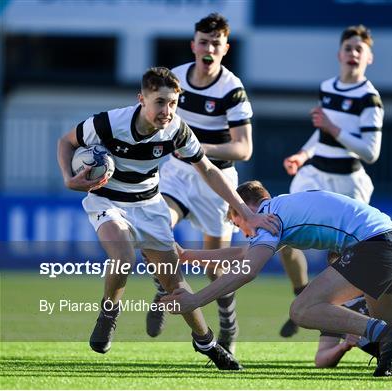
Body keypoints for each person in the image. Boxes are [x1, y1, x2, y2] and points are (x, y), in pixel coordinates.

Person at [56, 67, 278, 370]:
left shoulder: (176, 130)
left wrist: (247, 213)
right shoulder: (108, 123)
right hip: (108, 199)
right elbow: (66, 142)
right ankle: (109, 312)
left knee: (175, 283)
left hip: (149, 205)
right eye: (160, 102)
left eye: (173, 103)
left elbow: (210, 171)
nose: (167, 110)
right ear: (141, 99)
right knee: (122, 255)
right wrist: (69, 179)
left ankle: (207, 343)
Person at [162, 181, 392, 376]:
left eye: (236, 222)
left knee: (301, 309)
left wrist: (196, 299)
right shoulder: (283, 207)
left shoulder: (268, 218)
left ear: (243, 208)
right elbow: (247, 254)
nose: (241, 231)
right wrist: (191, 256)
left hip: (372, 246)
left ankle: (383, 332)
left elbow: (249, 269)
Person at [145, 13, 252, 355]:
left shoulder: (232, 90)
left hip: (216, 179)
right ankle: (165, 290)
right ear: (193, 45)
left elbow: (244, 147)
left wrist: (200, 149)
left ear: (225, 48)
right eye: (203, 42)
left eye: (215, 44)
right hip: (177, 175)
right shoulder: (175, 78)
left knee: (213, 266)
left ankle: (228, 322)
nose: (208, 49)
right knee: (156, 230)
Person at [279, 24, 384, 338]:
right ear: (339, 54)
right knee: (284, 234)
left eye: (359, 49)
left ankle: (334, 320)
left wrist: (333, 128)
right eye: (348, 48)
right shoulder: (328, 86)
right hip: (314, 174)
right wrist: (303, 154)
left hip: (348, 182)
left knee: (341, 259)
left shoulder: (370, 99)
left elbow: (371, 152)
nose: (353, 53)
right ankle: (302, 296)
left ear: (369, 58)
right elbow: (321, 131)